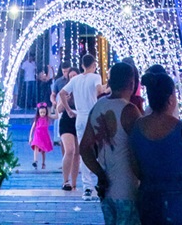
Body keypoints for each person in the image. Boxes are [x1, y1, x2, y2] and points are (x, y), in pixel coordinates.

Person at [128, 69, 182, 225]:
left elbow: (134, 166)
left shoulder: (137, 127)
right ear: (171, 99)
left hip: (149, 195)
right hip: (181, 196)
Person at [79, 60, 141, 225]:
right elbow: (141, 150)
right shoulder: (130, 110)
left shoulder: (99, 106)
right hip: (128, 187)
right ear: (131, 83)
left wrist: (100, 173)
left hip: (107, 188)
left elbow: (84, 148)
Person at [58, 53, 108, 200]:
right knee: (99, 151)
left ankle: (87, 187)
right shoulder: (95, 77)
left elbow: (62, 93)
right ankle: (101, 181)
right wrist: (108, 87)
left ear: (82, 65)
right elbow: (99, 91)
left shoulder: (76, 80)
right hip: (93, 117)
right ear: (93, 65)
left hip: (79, 117)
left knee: (83, 152)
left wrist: (68, 110)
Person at [57, 67, 79, 190]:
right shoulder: (65, 91)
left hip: (79, 120)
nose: (73, 78)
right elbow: (58, 110)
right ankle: (65, 181)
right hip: (66, 121)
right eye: (70, 77)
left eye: (75, 76)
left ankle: (74, 182)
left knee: (77, 153)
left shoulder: (82, 90)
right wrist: (66, 102)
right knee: (69, 150)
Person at [50, 61, 71, 147]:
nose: (66, 73)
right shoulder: (59, 81)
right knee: (58, 119)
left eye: (67, 71)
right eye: (64, 71)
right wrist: (54, 102)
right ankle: (57, 139)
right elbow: (53, 94)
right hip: (61, 102)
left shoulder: (75, 79)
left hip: (72, 102)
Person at [28, 102, 53, 170]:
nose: (42, 114)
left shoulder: (47, 118)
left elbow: (54, 116)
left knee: (43, 151)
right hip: (37, 135)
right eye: (41, 112)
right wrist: (30, 137)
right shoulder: (37, 119)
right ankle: (35, 161)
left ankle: (43, 163)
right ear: (38, 112)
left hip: (44, 135)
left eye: (44, 112)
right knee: (36, 147)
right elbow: (32, 128)